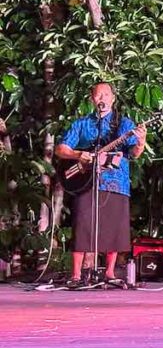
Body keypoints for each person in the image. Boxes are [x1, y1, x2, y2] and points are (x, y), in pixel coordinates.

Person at [55, 82, 146, 284]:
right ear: (92, 99)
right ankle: (77, 275)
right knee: (83, 225)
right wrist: (79, 153)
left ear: (113, 98)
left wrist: (141, 141)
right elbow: (61, 149)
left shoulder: (124, 124)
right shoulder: (82, 124)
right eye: (98, 96)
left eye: (106, 95)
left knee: (113, 227)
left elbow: (134, 153)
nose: (102, 99)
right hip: (86, 181)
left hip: (115, 181)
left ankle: (109, 273)